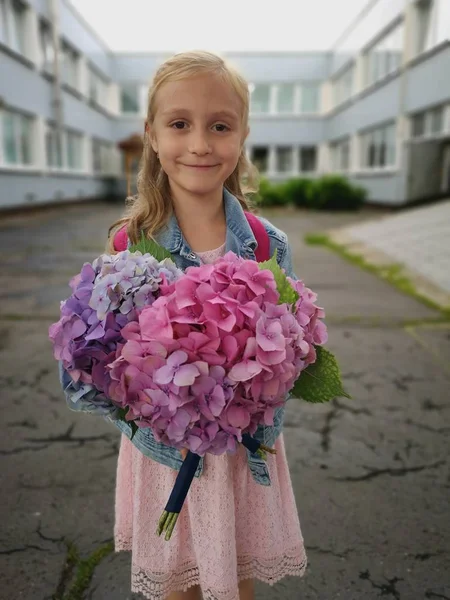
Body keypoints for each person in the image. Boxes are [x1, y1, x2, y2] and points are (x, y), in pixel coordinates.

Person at [109, 50, 307, 600]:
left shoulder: (268, 244)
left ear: (242, 136)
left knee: (232, 580)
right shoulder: (130, 242)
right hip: (161, 451)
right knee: (175, 585)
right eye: (180, 124)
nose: (200, 144)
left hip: (238, 452)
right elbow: (114, 362)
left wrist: (266, 373)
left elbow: (291, 351)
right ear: (151, 135)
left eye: (220, 126)